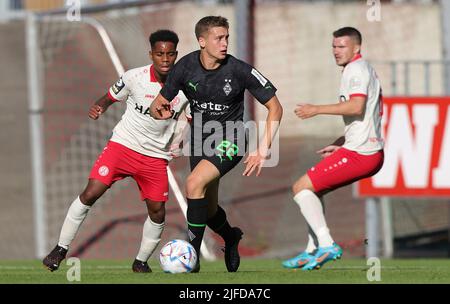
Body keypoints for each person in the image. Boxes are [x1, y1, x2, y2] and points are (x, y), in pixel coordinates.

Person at [42, 30, 189, 273]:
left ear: (176, 55)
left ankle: (140, 262)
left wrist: (180, 140)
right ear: (151, 54)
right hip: (122, 147)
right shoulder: (134, 77)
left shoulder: (185, 88)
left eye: (170, 54)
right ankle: (60, 248)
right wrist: (99, 106)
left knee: (157, 211)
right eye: (160, 54)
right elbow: (109, 96)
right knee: (91, 192)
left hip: (155, 157)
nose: (165, 59)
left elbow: (190, 119)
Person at [150, 16, 283, 272]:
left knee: (193, 184)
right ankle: (231, 236)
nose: (224, 43)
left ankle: (191, 259)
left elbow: (275, 108)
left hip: (233, 137)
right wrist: (161, 112)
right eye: (218, 38)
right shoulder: (184, 67)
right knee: (207, 209)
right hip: (200, 140)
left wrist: (263, 148)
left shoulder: (240, 70)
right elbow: (159, 103)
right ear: (202, 41)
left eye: (226, 38)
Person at [282, 27, 384, 271]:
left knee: (300, 188)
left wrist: (315, 109)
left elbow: (356, 107)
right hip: (361, 149)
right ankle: (312, 251)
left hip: (362, 153)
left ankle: (327, 245)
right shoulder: (361, 68)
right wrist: (340, 143)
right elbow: (365, 116)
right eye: (334, 46)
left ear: (356, 48)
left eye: (342, 46)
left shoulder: (356, 70)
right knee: (311, 192)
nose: (336, 51)